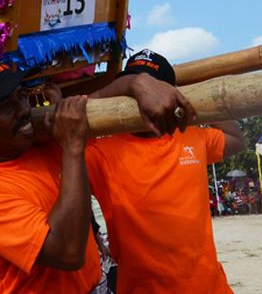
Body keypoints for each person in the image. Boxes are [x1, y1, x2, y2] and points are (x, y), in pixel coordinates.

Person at [0, 53, 192, 293]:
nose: (22, 109)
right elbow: (67, 252)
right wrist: (73, 146)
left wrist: (135, 82)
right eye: (4, 106)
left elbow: (95, 101)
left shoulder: (37, 141)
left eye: (21, 96)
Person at [85, 49, 247, 294]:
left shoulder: (191, 136)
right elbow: (77, 116)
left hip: (210, 287)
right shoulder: (100, 153)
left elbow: (237, 139)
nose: (143, 98)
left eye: (153, 90)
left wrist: (190, 93)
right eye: (134, 91)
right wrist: (130, 83)